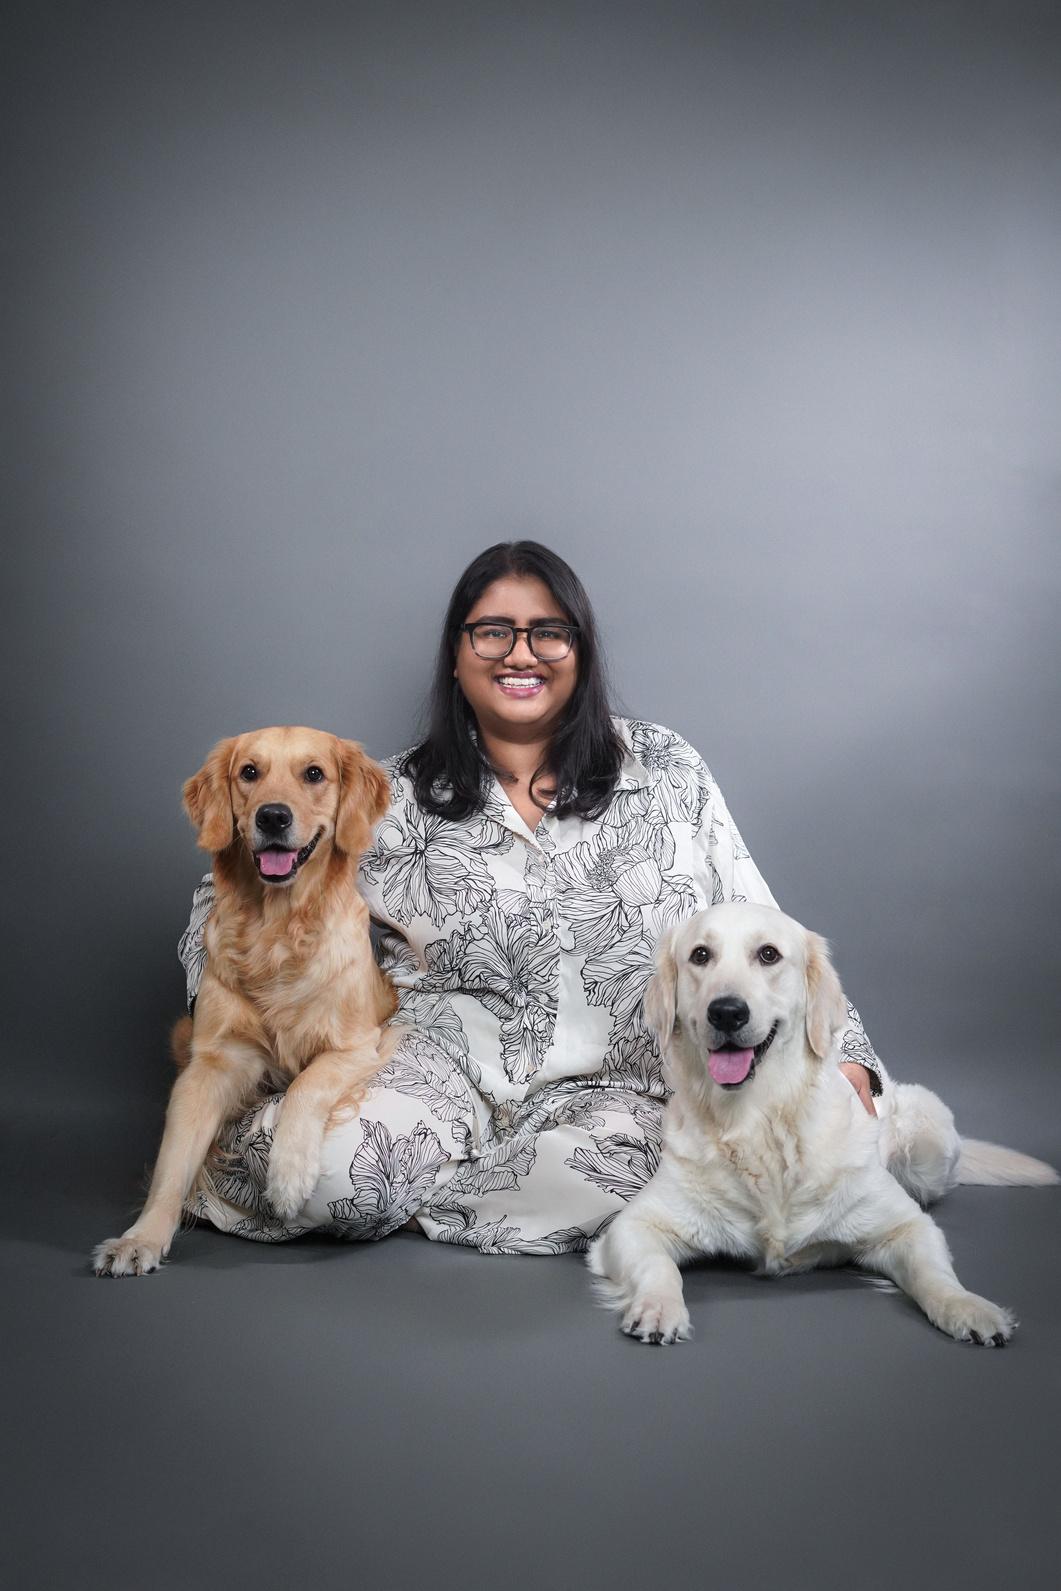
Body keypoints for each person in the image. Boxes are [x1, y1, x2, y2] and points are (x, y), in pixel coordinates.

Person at [178, 542, 883, 1253]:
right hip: (437, 1072)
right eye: (492, 632)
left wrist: (846, 1052)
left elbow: (764, 925)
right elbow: (230, 892)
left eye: (548, 632)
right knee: (330, 1178)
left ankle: (419, 1193)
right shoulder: (386, 796)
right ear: (457, 655)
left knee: (648, 1176)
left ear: (580, 650)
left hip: (622, 1087)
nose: (521, 654)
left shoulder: (666, 768)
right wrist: (234, 1012)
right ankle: (388, 1176)